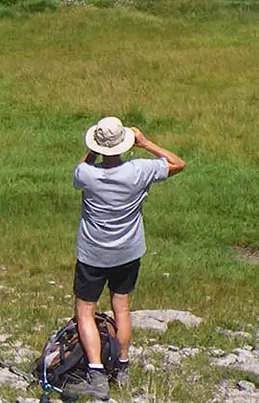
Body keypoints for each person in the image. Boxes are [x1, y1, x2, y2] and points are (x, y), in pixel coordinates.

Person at [70, 116, 185, 401]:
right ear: (125, 143)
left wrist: (94, 149)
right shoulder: (140, 170)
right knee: (121, 308)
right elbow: (178, 163)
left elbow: (80, 168)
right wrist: (145, 143)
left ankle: (96, 374)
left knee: (85, 310)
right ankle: (122, 367)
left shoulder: (87, 175)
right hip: (128, 251)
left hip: (93, 252)